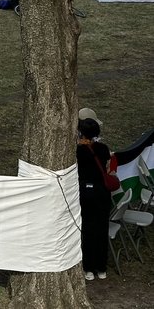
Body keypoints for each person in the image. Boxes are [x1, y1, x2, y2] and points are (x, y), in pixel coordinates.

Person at [76, 118, 113, 281]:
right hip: (102, 192)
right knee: (102, 229)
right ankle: (102, 267)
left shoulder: (79, 150)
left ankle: (89, 268)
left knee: (88, 230)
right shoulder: (103, 149)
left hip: (86, 192)